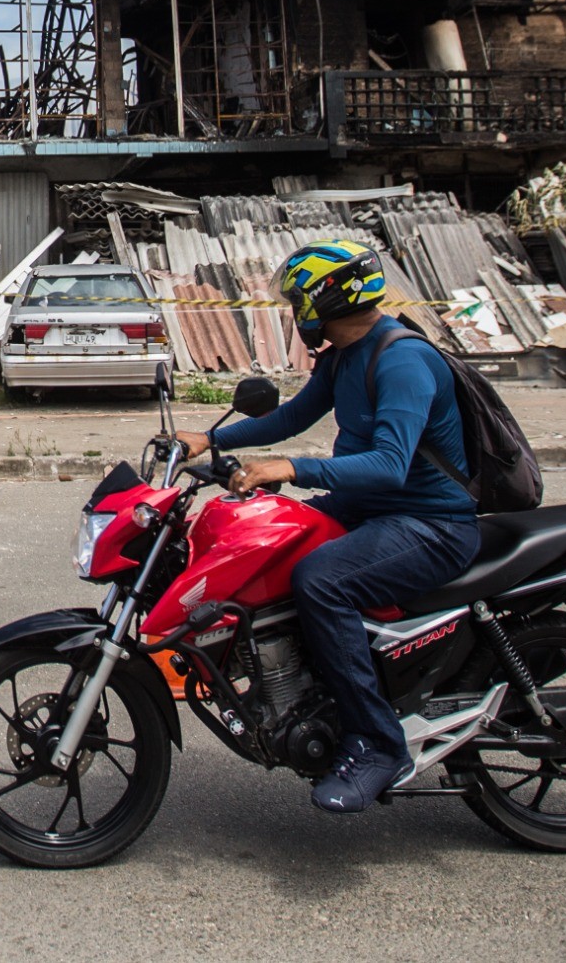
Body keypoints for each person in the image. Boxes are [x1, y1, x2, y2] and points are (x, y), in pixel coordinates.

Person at [181, 238, 480, 813]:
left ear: (328, 299)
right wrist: (209, 437)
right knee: (267, 539)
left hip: (431, 523)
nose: (295, 315)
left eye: (298, 301)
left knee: (321, 578)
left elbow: (392, 465)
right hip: (372, 509)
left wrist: (292, 467)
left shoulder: (402, 360)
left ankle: (375, 744)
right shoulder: (347, 354)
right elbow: (294, 415)